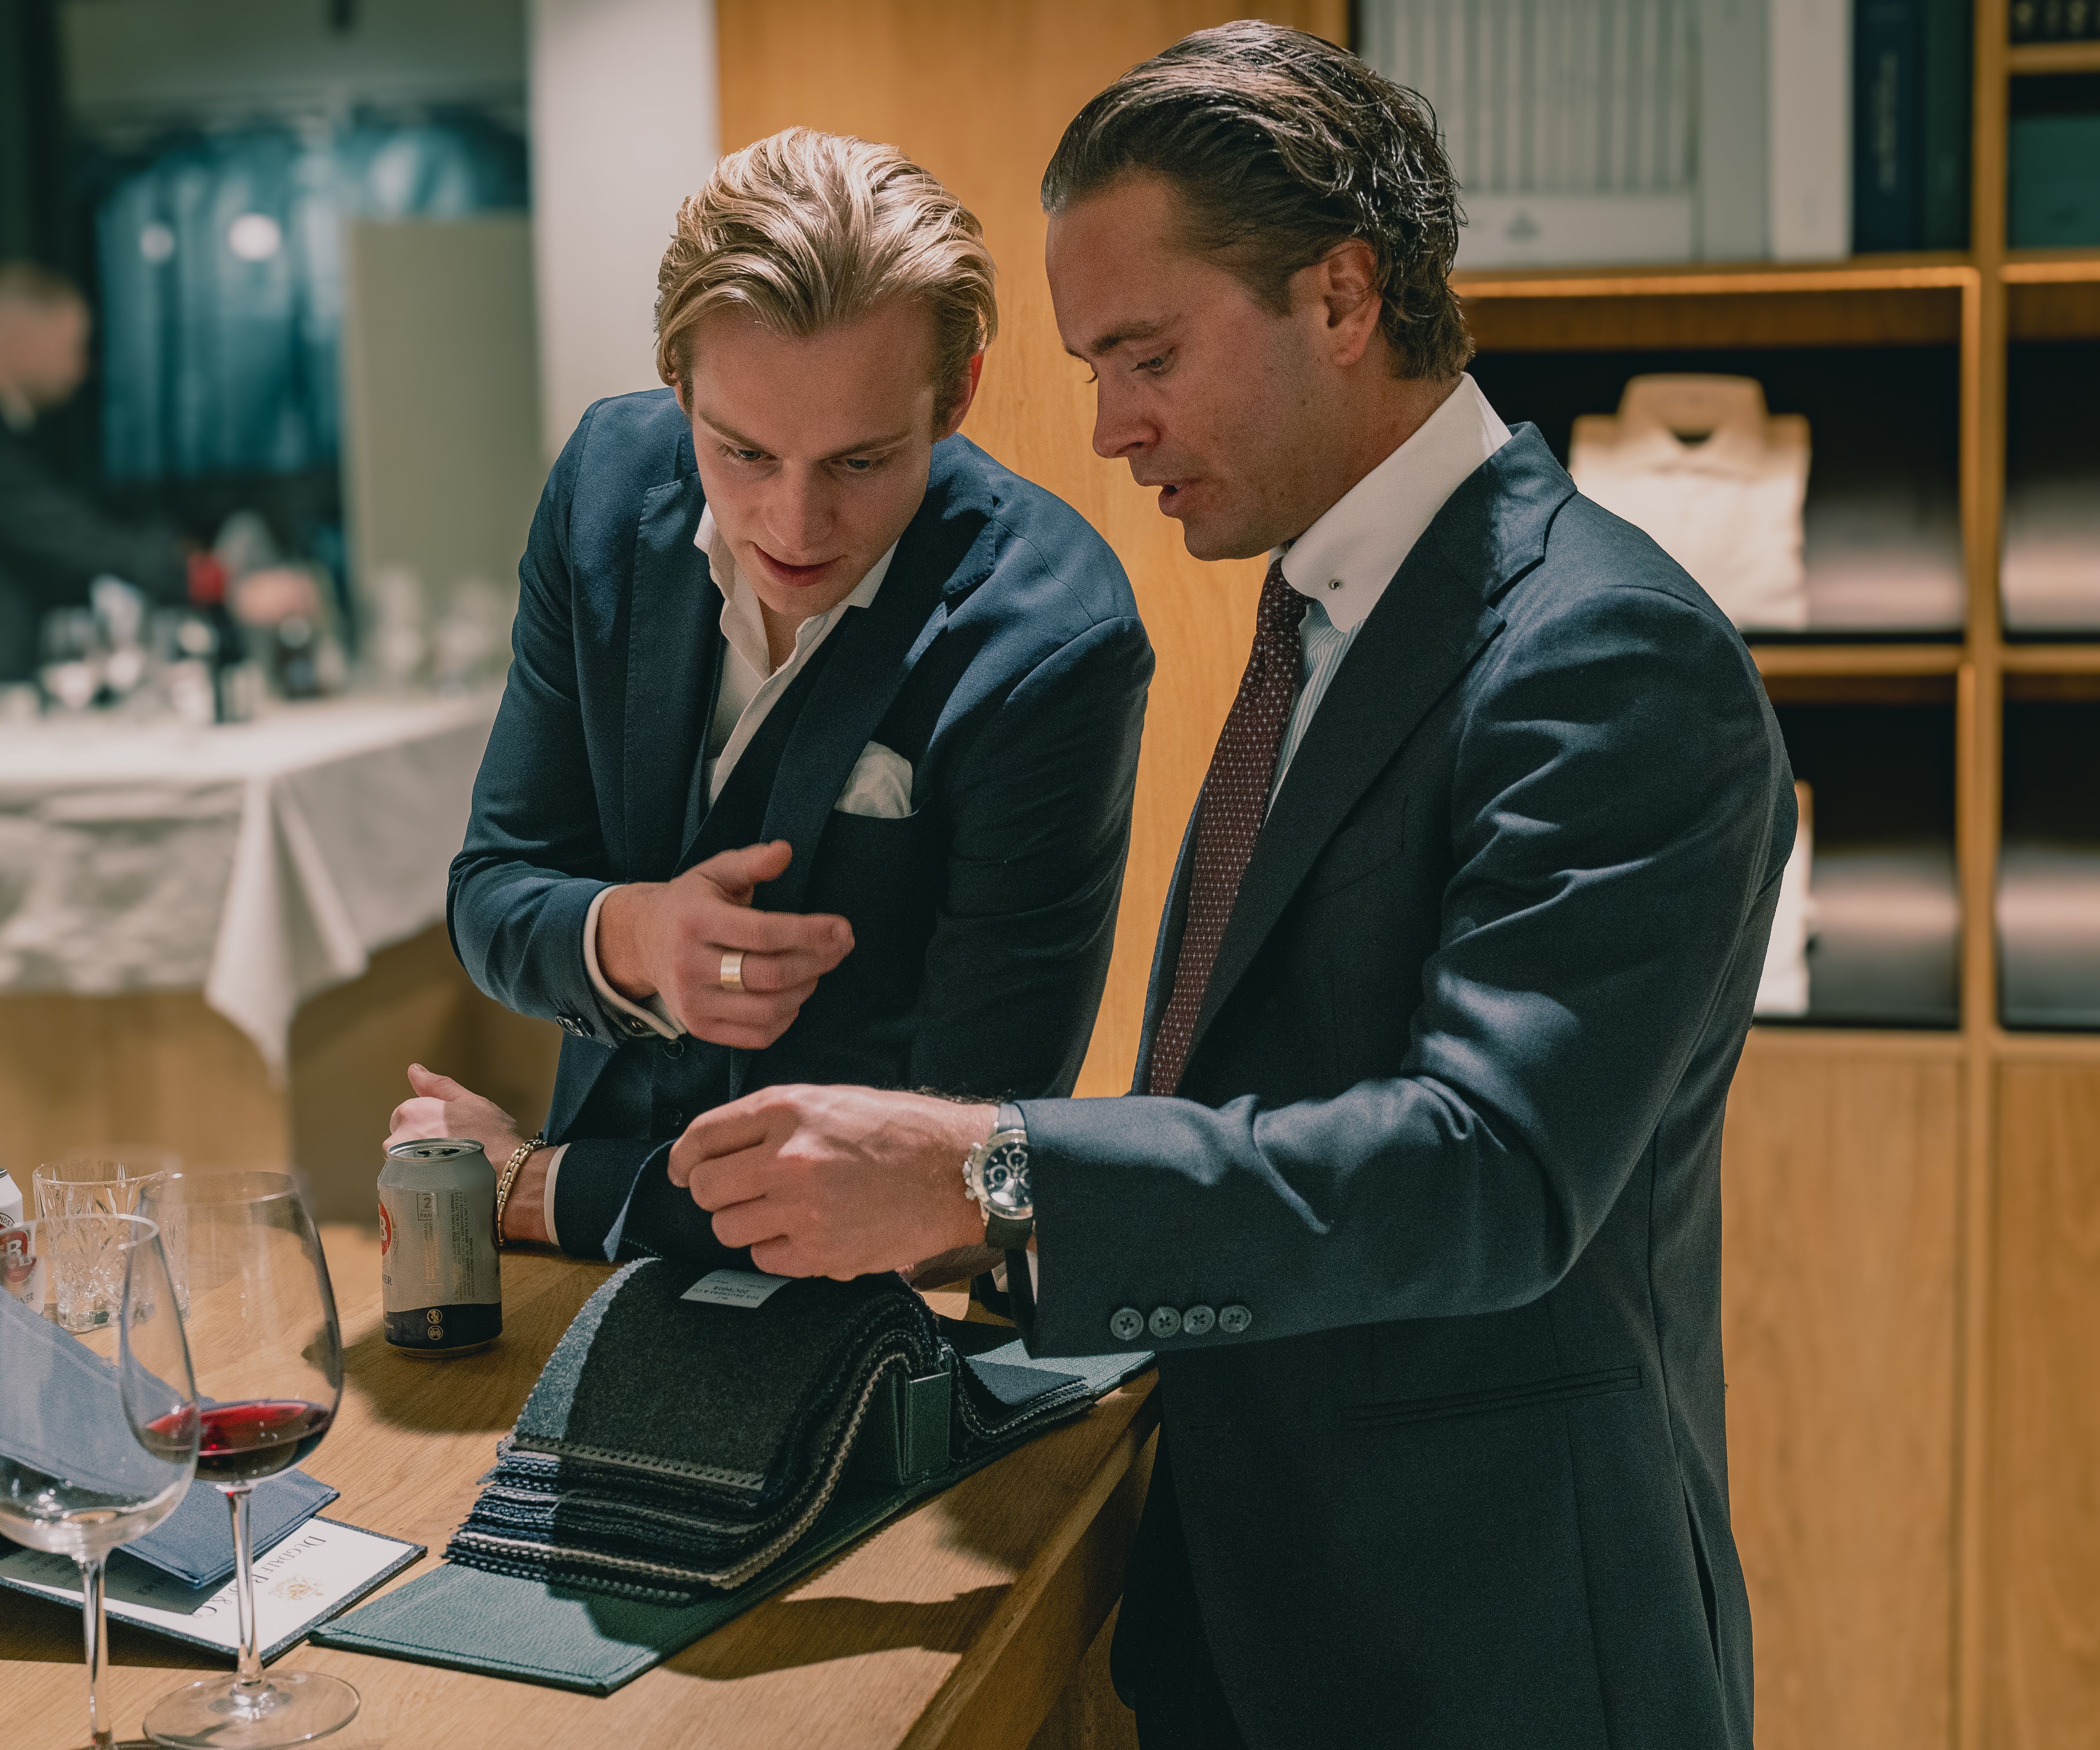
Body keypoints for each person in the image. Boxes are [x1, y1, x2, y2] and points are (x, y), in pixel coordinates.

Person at [662, 26, 1792, 1748]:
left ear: (1343, 296)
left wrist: (990, 1174)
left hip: (1489, 1657)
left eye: (1145, 356)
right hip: (1253, 1616)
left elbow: (1488, 1174)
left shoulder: (1604, 652)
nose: (1109, 429)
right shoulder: (1325, 615)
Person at [387, 130, 1152, 1269]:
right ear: (677, 380)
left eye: (858, 462)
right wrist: (637, 935)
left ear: (957, 396)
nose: (792, 531)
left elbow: (967, 1165)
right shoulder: (603, 486)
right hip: (579, 1291)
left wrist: (538, 1188)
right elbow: (493, 897)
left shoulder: (1057, 639)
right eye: (741, 452)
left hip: (879, 1313)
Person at [0, 263, 196, 732]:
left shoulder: (0, 438)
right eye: (73, 347)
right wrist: (201, 576)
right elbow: (81, 540)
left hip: (5, 712)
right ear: (22, 341)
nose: (82, 369)